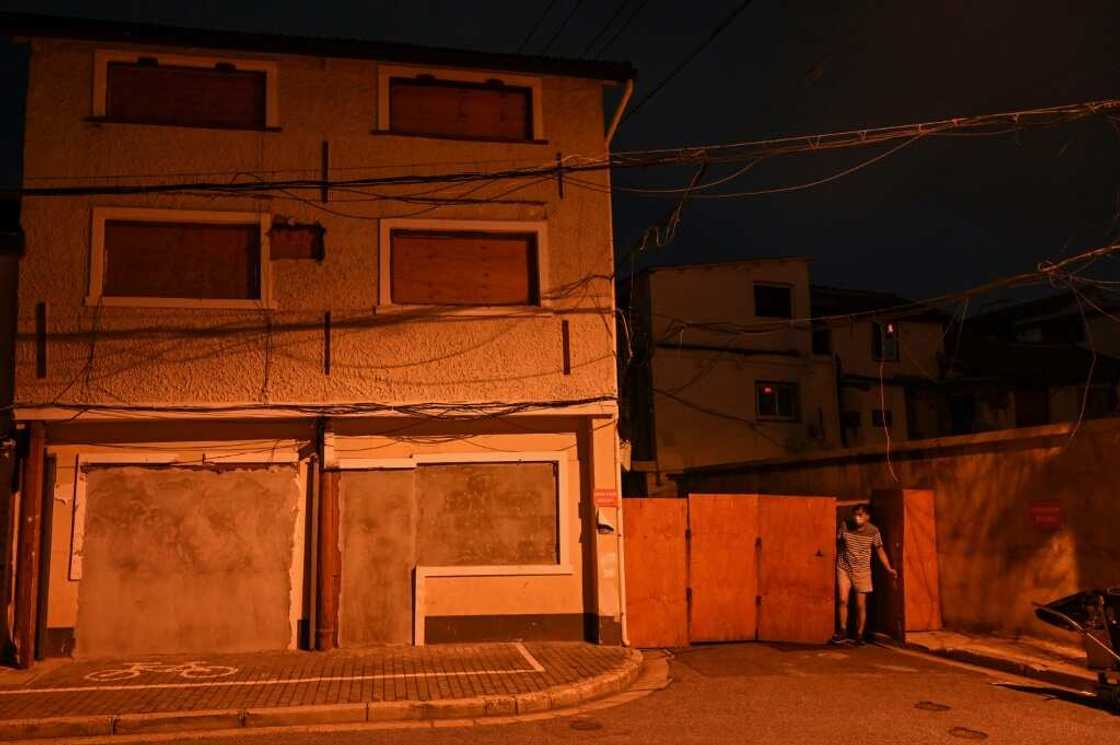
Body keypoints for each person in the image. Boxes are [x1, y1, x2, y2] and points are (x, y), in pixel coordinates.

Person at [831, 503, 896, 645]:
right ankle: (842, 630)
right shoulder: (845, 526)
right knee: (843, 600)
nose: (856, 518)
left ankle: (859, 634)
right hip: (844, 568)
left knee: (861, 605)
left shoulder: (873, 531)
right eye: (855, 514)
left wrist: (888, 568)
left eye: (860, 515)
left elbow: (880, 550)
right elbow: (837, 544)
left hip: (862, 570)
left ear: (867, 516)